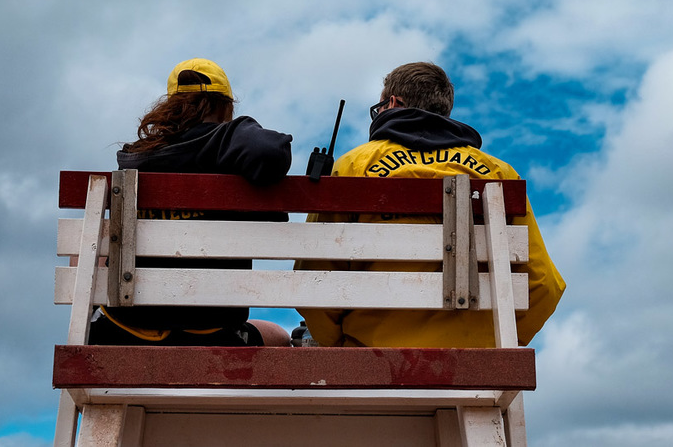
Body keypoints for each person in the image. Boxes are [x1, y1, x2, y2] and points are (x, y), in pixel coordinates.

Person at [297, 62, 566, 348]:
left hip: (370, 355)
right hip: (476, 362)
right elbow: (543, 285)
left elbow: (313, 275)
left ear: (392, 103)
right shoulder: (498, 174)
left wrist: (335, 343)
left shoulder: (353, 166)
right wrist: (501, 342)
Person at [88, 58, 293, 347]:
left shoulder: (135, 159)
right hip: (211, 332)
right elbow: (270, 153)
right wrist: (231, 133)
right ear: (225, 106)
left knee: (94, 241)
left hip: (125, 330)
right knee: (280, 337)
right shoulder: (230, 148)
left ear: (172, 105)